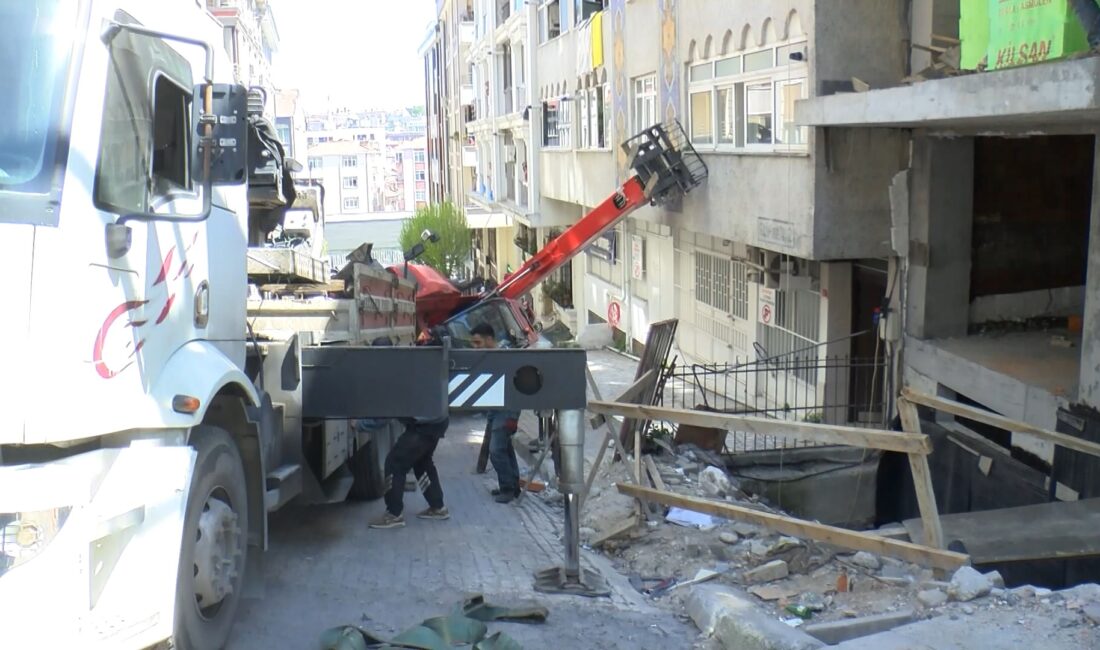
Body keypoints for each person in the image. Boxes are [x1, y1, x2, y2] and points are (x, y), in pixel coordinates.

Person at [470, 322, 523, 503]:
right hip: (497, 408)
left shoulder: (504, 355)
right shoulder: (491, 356)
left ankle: (507, 489)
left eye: (478, 343)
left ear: (490, 339)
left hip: (507, 409)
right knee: (505, 448)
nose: (475, 348)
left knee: (496, 450)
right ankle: (512, 487)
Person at [369, 415, 451, 529]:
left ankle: (393, 514)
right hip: (437, 420)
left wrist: (360, 424)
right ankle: (438, 507)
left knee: (395, 463)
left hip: (423, 425)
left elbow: (386, 413)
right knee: (422, 461)